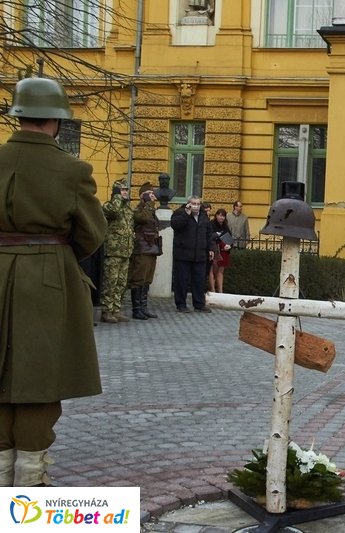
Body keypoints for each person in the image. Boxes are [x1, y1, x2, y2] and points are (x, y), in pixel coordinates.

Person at [0, 77, 106, 486]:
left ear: (19, 114)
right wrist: (53, 255)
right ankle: (29, 488)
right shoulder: (72, 168)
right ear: (57, 121)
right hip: (46, 280)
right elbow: (92, 234)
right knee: (38, 381)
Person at [171, 195, 214, 313]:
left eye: (198, 204)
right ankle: (181, 304)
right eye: (193, 204)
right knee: (182, 281)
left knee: (199, 280)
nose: (196, 206)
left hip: (199, 255)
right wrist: (187, 214)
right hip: (183, 254)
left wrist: (211, 248)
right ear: (188, 204)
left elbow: (209, 234)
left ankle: (199, 304)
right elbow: (175, 225)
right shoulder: (179, 213)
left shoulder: (204, 216)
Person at [100, 179, 134, 323]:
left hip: (125, 251)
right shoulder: (109, 206)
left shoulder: (127, 209)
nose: (126, 192)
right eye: (122, 190)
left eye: (127, 190)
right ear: (116, 193)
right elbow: (113, 212)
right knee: (110, 282)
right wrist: (117, 197)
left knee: (121, 283)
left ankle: (116, 309)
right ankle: (106, 311)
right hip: (113, 251)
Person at [129, 183, 161, 320]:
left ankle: (143, 307)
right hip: (142, 248)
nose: (153, 195)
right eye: (150, 193)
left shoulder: (151, 210)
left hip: (151, 248)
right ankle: (136, 309)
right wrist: (148, 204)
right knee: (138, 279)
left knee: (147, 279)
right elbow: (143, 219)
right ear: (143, 195)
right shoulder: (139, 209)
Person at [209, 208, 233, 293]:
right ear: (216, 215)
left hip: (223, 251)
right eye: (220, 215)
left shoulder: (225, 226)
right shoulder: (211, 224)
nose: (221, 217)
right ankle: (212, 289)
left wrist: (229, 245)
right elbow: (209, 237)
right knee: (212, 270)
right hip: (215, 250)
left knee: (221, 271)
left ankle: (220, 290)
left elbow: (230, 238)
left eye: (223, 216)